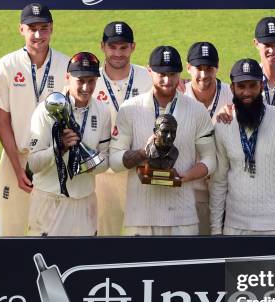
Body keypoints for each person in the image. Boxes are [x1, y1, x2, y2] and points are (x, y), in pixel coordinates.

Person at [109, 46, 216, 236]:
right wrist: (143, 153)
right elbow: (115, 161)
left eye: (173, 74)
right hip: (140, 218)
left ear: (180, 73)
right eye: (161, 74)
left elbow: (210, 160)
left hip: (182, 217)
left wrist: (186, 176)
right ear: (149, 70)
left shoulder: (197, 110)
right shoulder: (129, 109)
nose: (167, 80)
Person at [0, 3, 70, 236]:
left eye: (44, 28)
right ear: (21, 30)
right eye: (32, 28)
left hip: (52, 159)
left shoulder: (66, 65)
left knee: (49, 230)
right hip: (15, 157)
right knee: (9, 230)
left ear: (52, 28)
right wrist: (18, 168)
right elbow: (2, 120)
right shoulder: (7, 65)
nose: (38, 35)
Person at [210, 59, 275, 235]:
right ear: (232, 88)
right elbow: (219, 181)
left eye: (253, 86)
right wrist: (216, 229)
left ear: (261, 86)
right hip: (234, 227)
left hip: (274, 226)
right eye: (241, 86)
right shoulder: (223, 125)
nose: (247, 92)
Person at [27, 52, 111, 236]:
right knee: (49, 262)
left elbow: (105, 160)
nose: (86, 87)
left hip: (85, 201)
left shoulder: (103, 111)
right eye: (80, 80)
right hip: (51, 200)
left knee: (84, 261)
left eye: (91, 81)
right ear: (67, 77)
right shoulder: (46, 109)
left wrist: (88, 164)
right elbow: (33, 164)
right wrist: (59, 149)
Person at [94, 21, 153, 236]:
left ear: (133, 47)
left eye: (123, 47)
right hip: (102, 174)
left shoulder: (149, 77)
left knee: (139, 239)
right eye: (112, 47)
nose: (118, 53)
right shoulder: (90, 80)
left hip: (139, 171)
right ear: (102, 46)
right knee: (104, 238)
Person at [183, 42, 233, 235]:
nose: (204, 75)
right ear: (188, 68)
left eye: (209, 68)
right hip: (188, 190)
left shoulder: (232, 95)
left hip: (225, 191)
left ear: (217, 67)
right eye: (199, 68)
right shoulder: (178, 96)